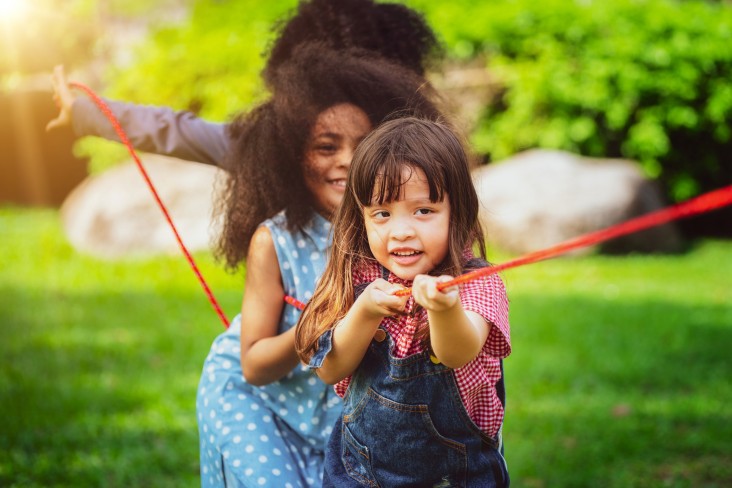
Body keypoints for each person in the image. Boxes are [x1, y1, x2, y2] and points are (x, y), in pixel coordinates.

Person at [197, 46, 442, 487]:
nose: (347, 160)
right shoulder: (274, 239)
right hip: (259, 406)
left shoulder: (394, 235)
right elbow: (252, 365)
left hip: (343, 420)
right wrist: (324, 323)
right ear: (291, 157)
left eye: (363, 144)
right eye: (326, 147)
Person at [295, 117, 511, 487]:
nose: (401, 230)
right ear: (362, 217)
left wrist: (445, 309)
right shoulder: (357, 278)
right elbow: (329, 370)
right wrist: (364, 312)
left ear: (455, 211)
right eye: (382, 213)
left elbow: (459, 351)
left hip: (457, 477)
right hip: (358, 475)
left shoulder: (476, 282)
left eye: (423, 211)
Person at [45, 0, 439, 169]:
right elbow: (178, 131)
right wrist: (86, 113)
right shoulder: (269, 149)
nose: (346, 160)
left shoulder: (417, 161)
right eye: (327, 141)